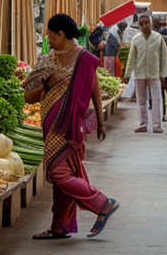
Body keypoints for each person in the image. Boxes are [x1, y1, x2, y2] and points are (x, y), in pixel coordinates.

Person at [24, 12, 117, 240]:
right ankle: (60, 227)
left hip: (71, 127)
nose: (49, 40)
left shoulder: (84, 59)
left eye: (51, 36)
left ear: (61, 33)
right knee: (65, 173)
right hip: (51, 125)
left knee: (59, 174)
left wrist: (100, 120)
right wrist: (48, 83)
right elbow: (28, 96)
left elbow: (94, 86)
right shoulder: (47, 61)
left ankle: (103, 203)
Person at [125, 13, 167, 133]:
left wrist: (163, 74)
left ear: (151, 23)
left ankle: (157, 125)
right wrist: (127, 73)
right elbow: (131, 58)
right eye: (141, 24)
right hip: (139, 73)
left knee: (156, 99)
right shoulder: (136, 39)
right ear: (139, 26)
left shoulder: (158, 38)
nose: (144, 26)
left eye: (146, 23)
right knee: (141, 99)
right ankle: (143, 123)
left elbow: (163, 57)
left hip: (155, 73)